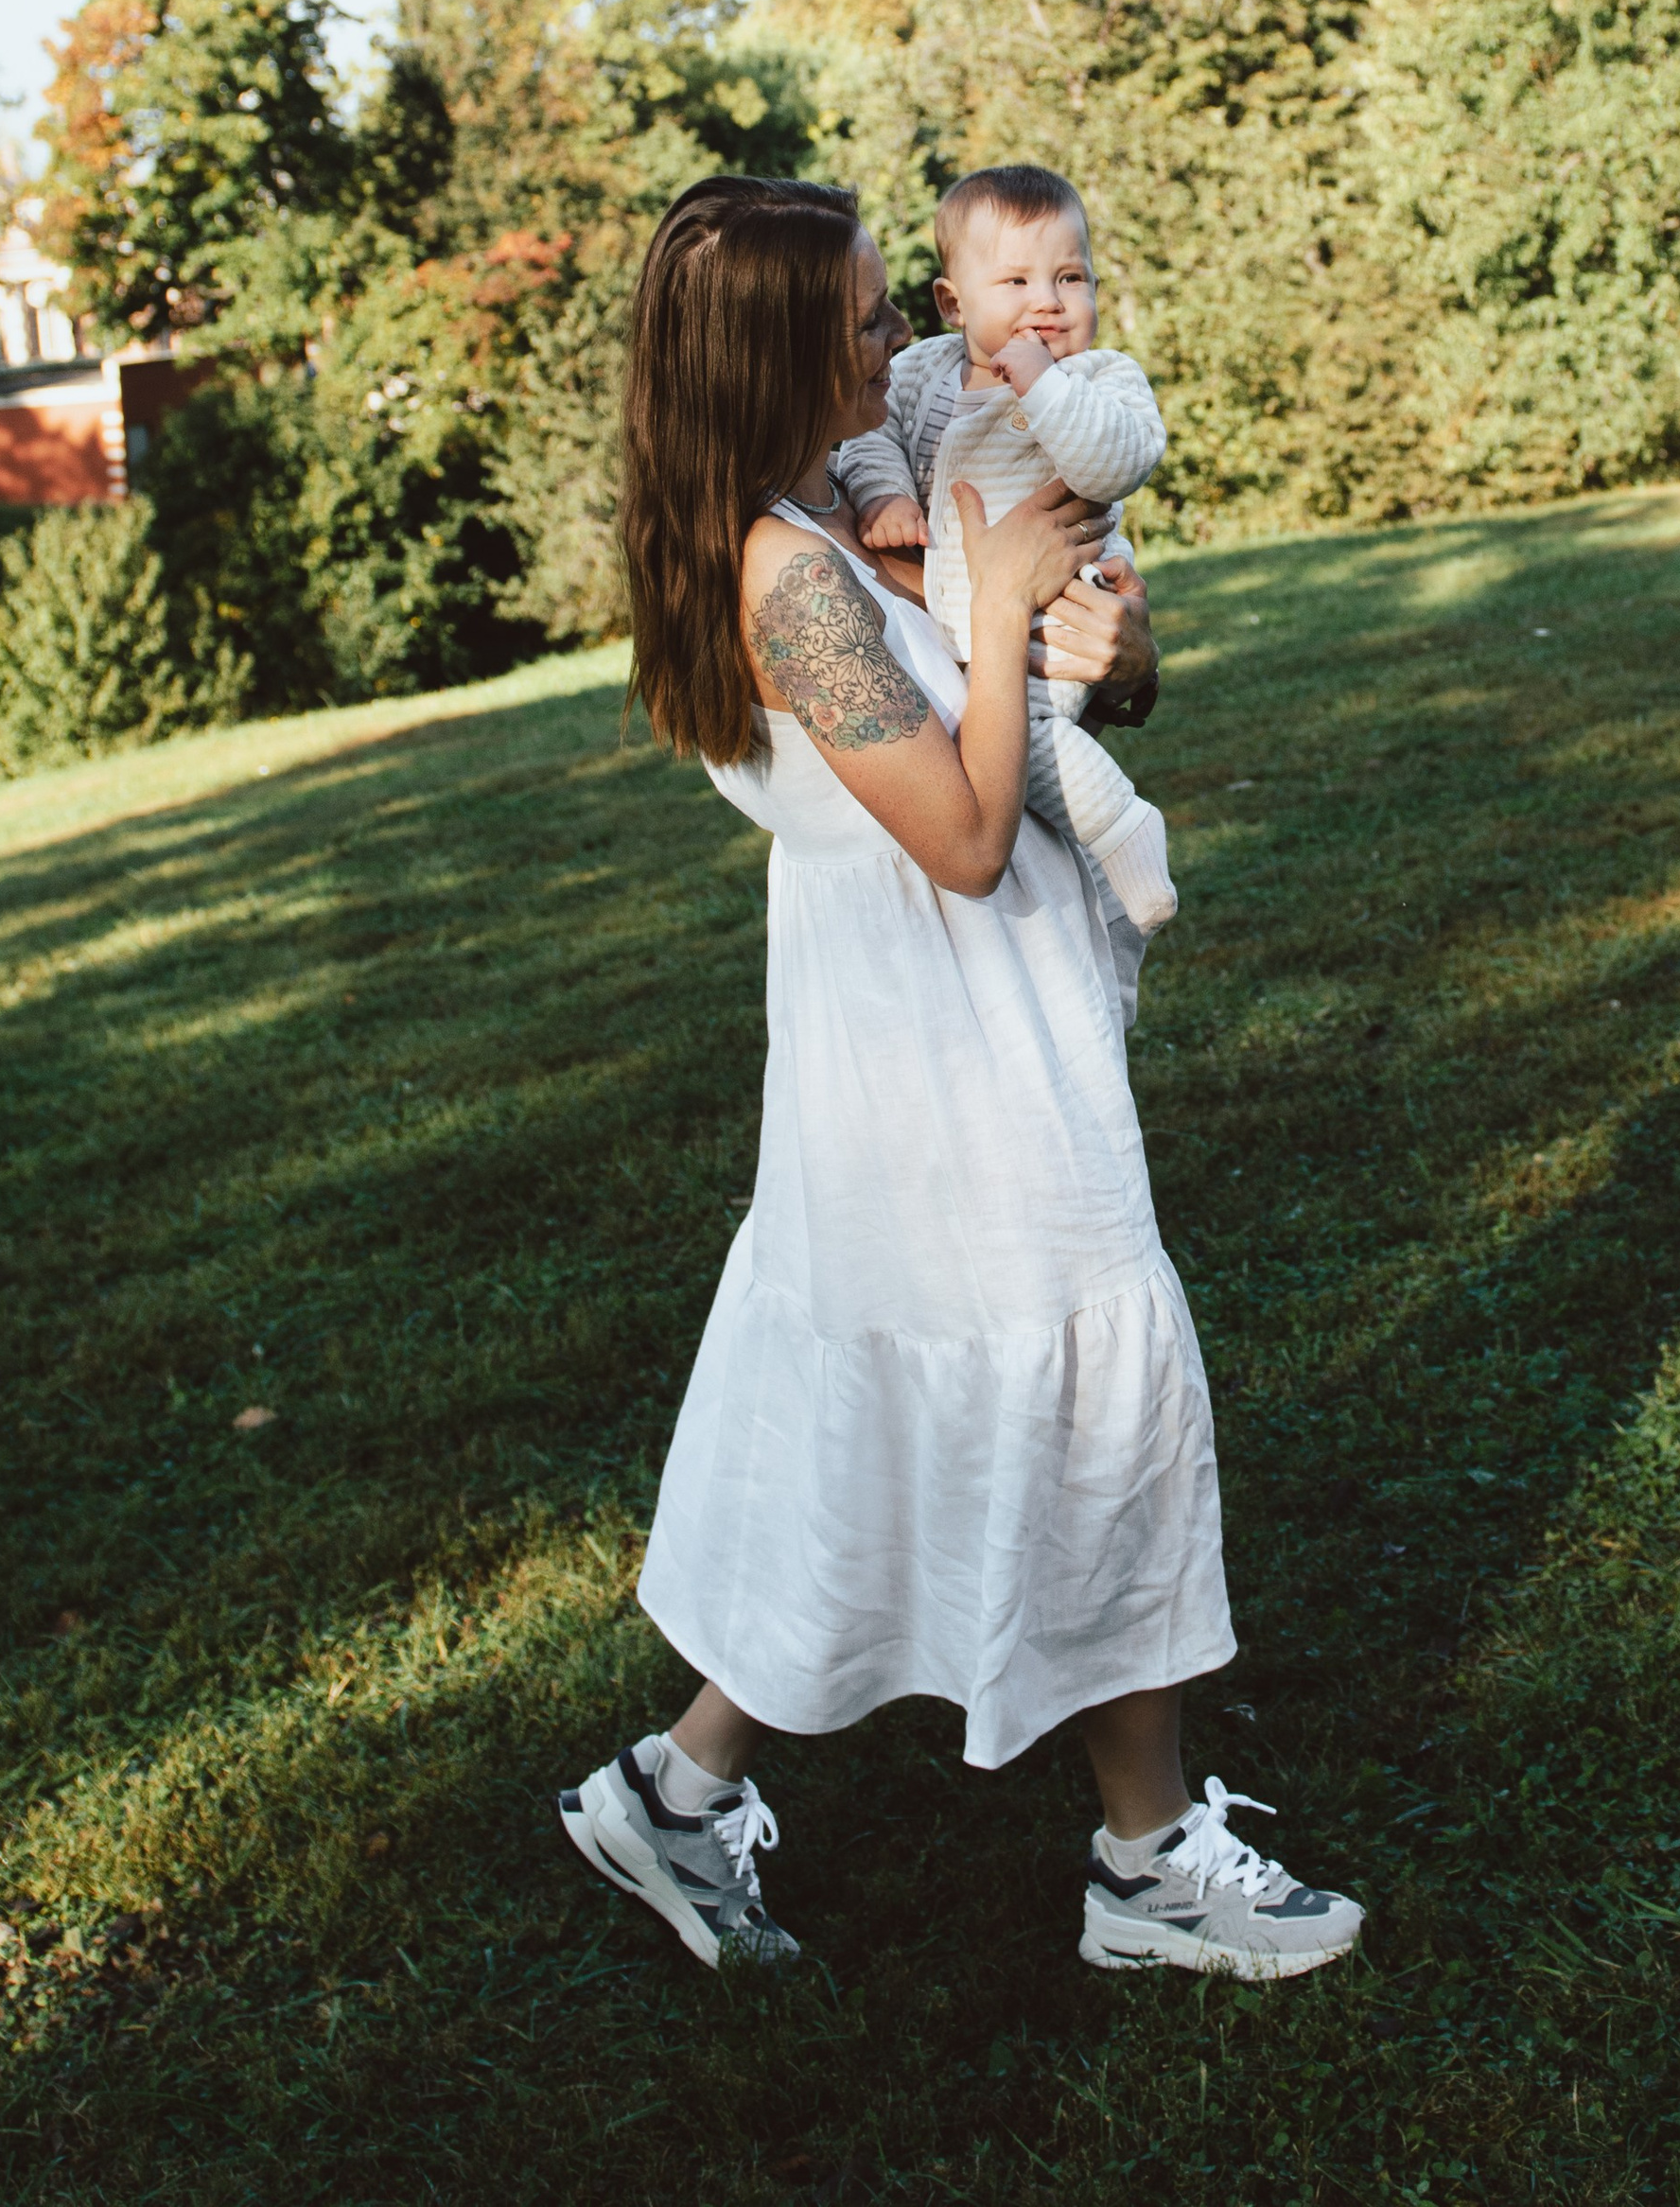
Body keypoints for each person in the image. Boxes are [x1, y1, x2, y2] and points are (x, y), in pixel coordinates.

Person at [556, 173, 1364, 1983]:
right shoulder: (783, 575)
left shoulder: (837, 529)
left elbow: (1040, 716)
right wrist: (999, 603)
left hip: (956, 1050)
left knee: (890, 1430)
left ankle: (677, 1800)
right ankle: (1150, 1864)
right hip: (941, 1078)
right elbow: (969, 836)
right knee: (1098, 1392)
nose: (891, 338)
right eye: (856, 316)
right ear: (772, 352)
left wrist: (1109, 652)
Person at [836, 160, 1177, 936]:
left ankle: (1123, 830)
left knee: (1021, 731)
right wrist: (884, 497)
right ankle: (1096, 873)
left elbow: (1117, 463)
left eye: (1070, 279)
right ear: (954, 303)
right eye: (1016, 284)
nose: (1048, 304)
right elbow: (869, 440)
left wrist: (1043, 387)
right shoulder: (923, 371)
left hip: (1049, 621)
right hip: (967, 624)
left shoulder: (1097, 377)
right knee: (982, 746)